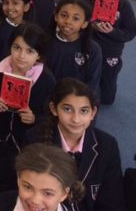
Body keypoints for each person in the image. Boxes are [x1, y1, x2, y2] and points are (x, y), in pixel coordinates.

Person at [0, 23, 56, 200]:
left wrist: (35, 118)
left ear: (39, 56)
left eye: (30, 51)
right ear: (10, 47)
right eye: (16, 48)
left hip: (25, 145)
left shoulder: (46, 81)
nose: (21, 56)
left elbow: (50, 119)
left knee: (16, 187)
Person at [25, 77, 124, 211]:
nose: (76, 119)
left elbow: (112, 200)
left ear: (93, 113)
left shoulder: (107, 145)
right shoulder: (34, 140)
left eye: (84, 111)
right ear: (54, 109)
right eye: (67, 109)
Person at [78, 0, 136, 105]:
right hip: (87, 47)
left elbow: (130, 32)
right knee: (84, 78)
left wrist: (111, 32)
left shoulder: (123, 3)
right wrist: (90, 25)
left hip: (110, 51)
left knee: (107, 95)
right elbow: (75, 25)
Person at [0, 143, 85, 211]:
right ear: (18, 179)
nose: (35, 200)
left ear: (64, 194)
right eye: (27, 187)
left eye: (47, 193)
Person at [46, 0, 102, 98]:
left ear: (84, 23)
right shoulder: (44, 41)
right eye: (63, 15)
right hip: (47, 96)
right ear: (56, 17)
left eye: (75, 18)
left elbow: (92, 82)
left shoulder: (93, 49)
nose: (68, 21)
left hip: (77, 99)